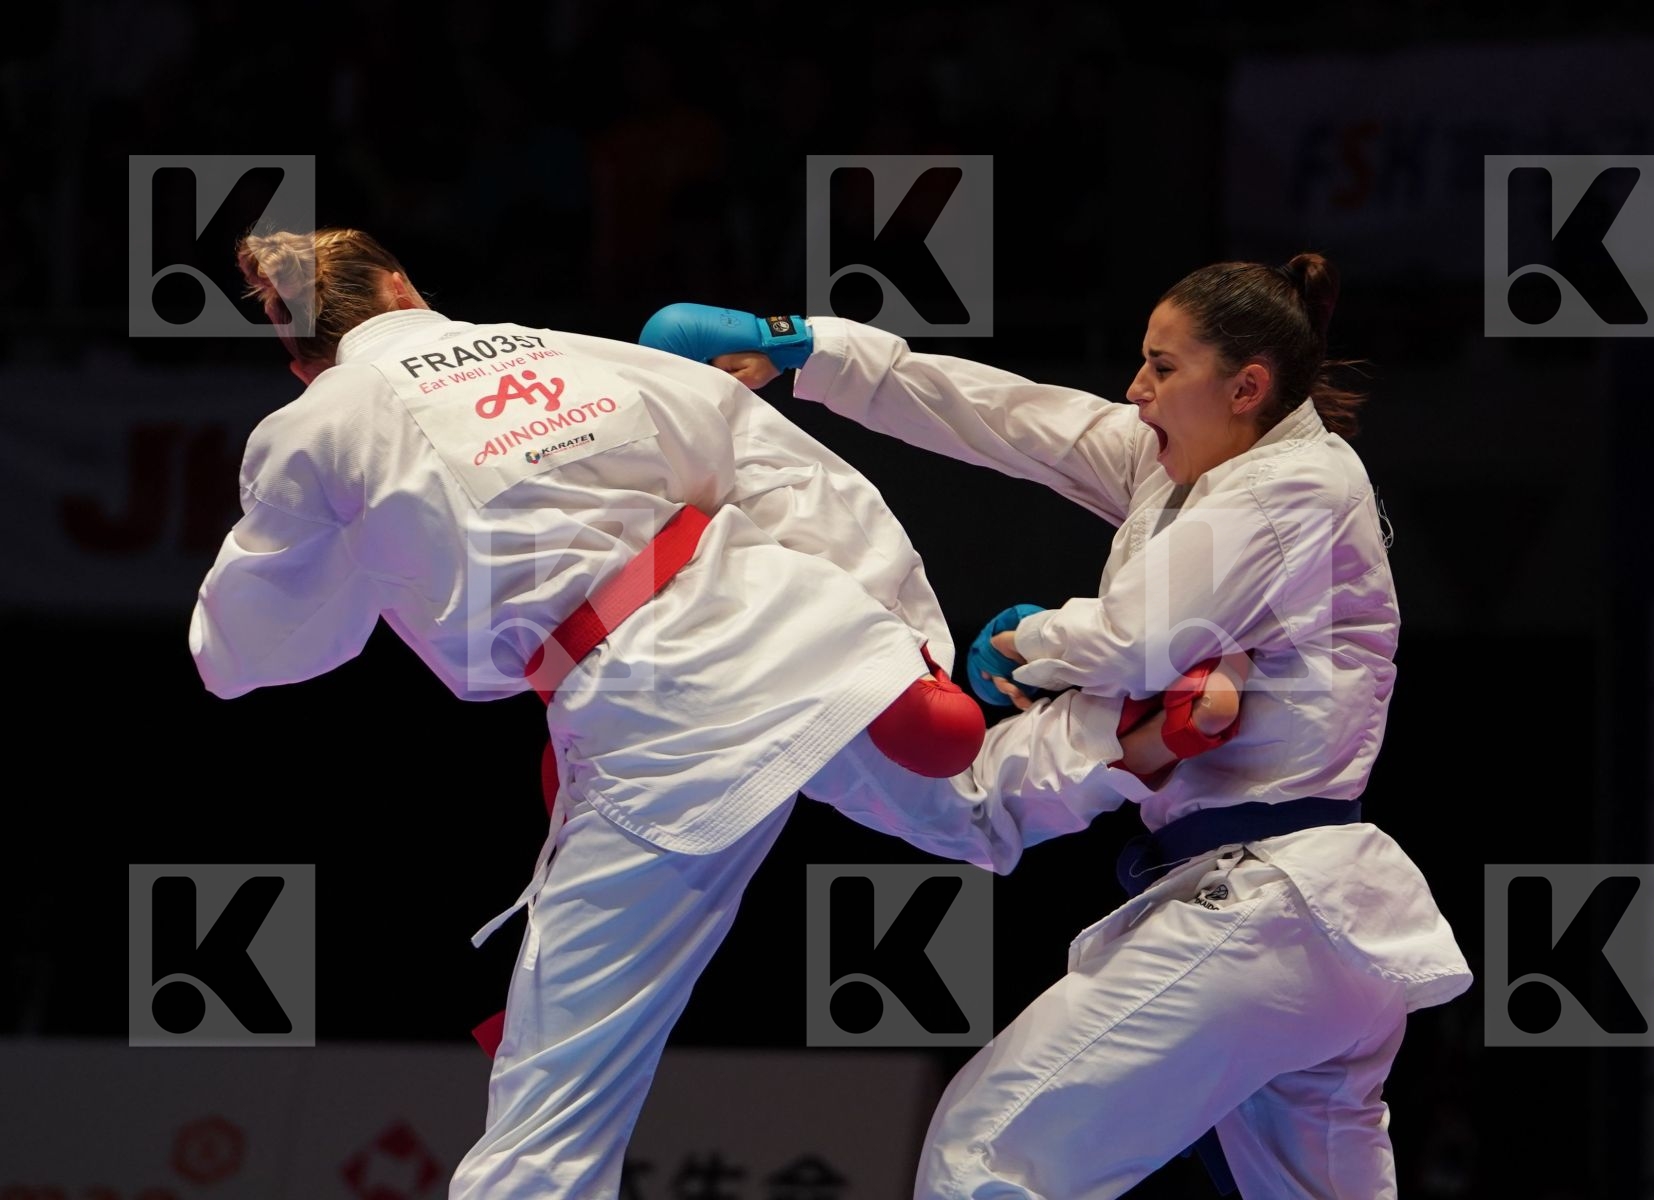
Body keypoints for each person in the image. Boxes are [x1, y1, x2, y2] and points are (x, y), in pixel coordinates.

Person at [187, 227, 996, 1199]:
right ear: (401, 287)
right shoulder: (562, 346)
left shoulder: (320, 425)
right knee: (983, 804)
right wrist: (906, 630)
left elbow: (251, 646)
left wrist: (342, 571)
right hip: (783, 616)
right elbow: (778, 462)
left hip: (650, 709)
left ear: (295, 354)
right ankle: (1122, 739)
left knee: (551, 1112)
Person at [642, 255, 1473, 1198]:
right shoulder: (1190, 461)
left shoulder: (1294, 489)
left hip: (1272, 907)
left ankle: (753, 692)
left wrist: (1030, 638)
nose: (1136, 388)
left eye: (1163, 368)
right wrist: (807, 348)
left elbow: (1138, 641)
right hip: (1314, 931)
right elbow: (1006, 414)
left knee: (985, 1152)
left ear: (1248, 387)